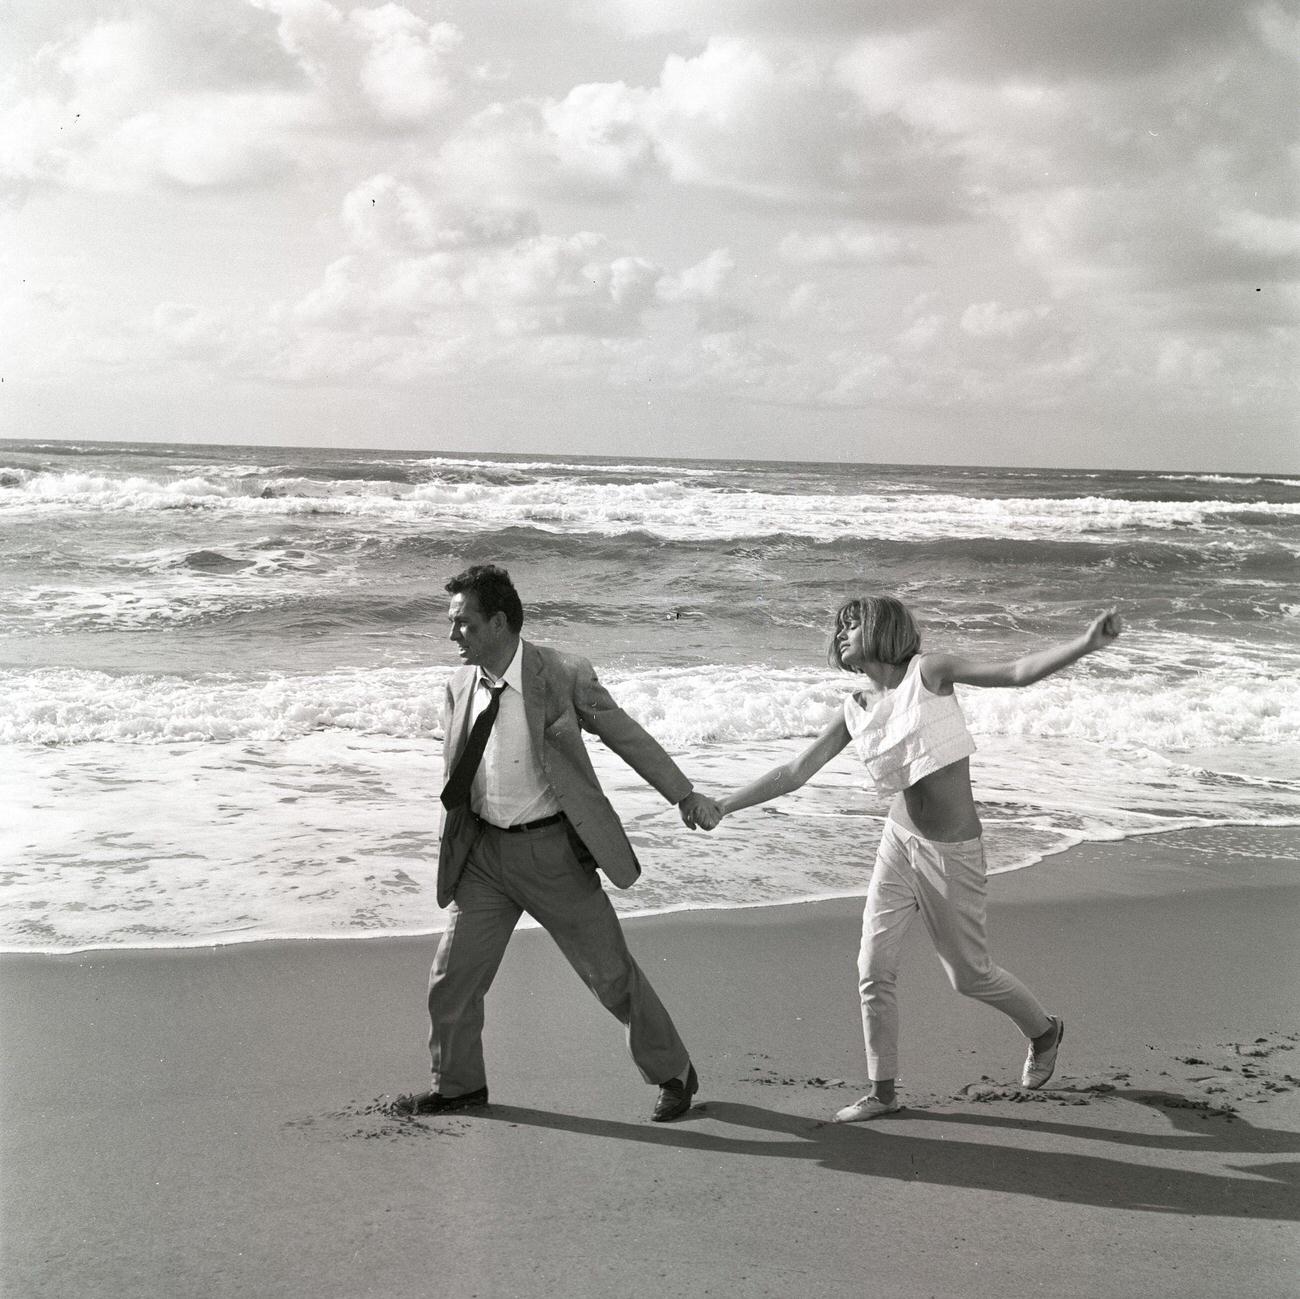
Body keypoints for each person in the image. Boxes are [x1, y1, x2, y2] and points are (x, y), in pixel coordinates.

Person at [707, 597, 1122, 1122]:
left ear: (881, 627)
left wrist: (1086, 644)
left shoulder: (929, 674)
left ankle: (1045, 1031)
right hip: (897, 843)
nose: (840, 634)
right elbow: (794, 771)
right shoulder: (855, 706)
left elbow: (1016, 673)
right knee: (872, 968)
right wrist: (724, 804)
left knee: (969, 976)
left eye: (851, 624)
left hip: (951, 853)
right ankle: (882, 1093)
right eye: (838, 627)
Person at [397, 564, 720, 1122]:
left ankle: (674, 1072)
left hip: (552, 854)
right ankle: (459, 1086)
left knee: (610, 976)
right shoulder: (457, 688)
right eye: (452, 624)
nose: (453, 636)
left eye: (464, 624)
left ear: (499, 622)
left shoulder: (561, 674)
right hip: (483, 860)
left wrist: (684, 795)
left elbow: (623, 734)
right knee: (451, 979)